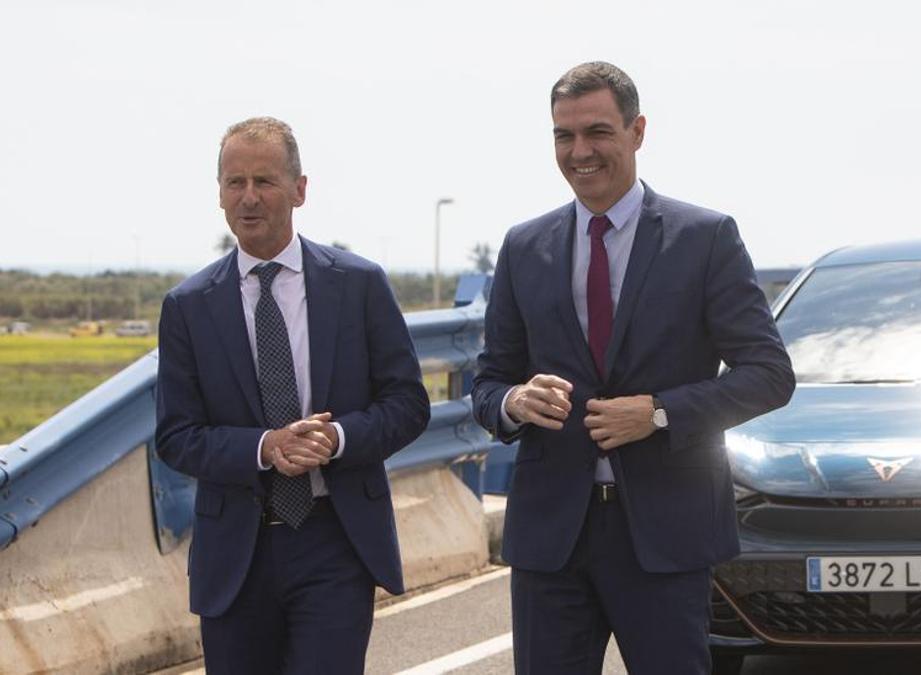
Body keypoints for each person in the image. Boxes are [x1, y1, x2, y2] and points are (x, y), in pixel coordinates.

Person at [471, 62, 794, 674]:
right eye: (564, 136)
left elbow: (769, 372)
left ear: (637, 130)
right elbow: (488, 382)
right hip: (551, 539)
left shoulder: (705, 238)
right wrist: (514, 402)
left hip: (665, 536)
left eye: (597, 133)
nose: (579, 152)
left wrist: (661, 413)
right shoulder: (523, 247)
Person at [155, 117, 430, 674]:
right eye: (235, 183)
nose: (249, 198)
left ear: (300, 189)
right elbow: (176, 437)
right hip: (237, 551)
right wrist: (265, 447)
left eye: (265, 181)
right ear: (220, 195)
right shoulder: (188, 305)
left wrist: (337, 438)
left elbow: (408, 404)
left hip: (335, 539)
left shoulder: (359, 285)